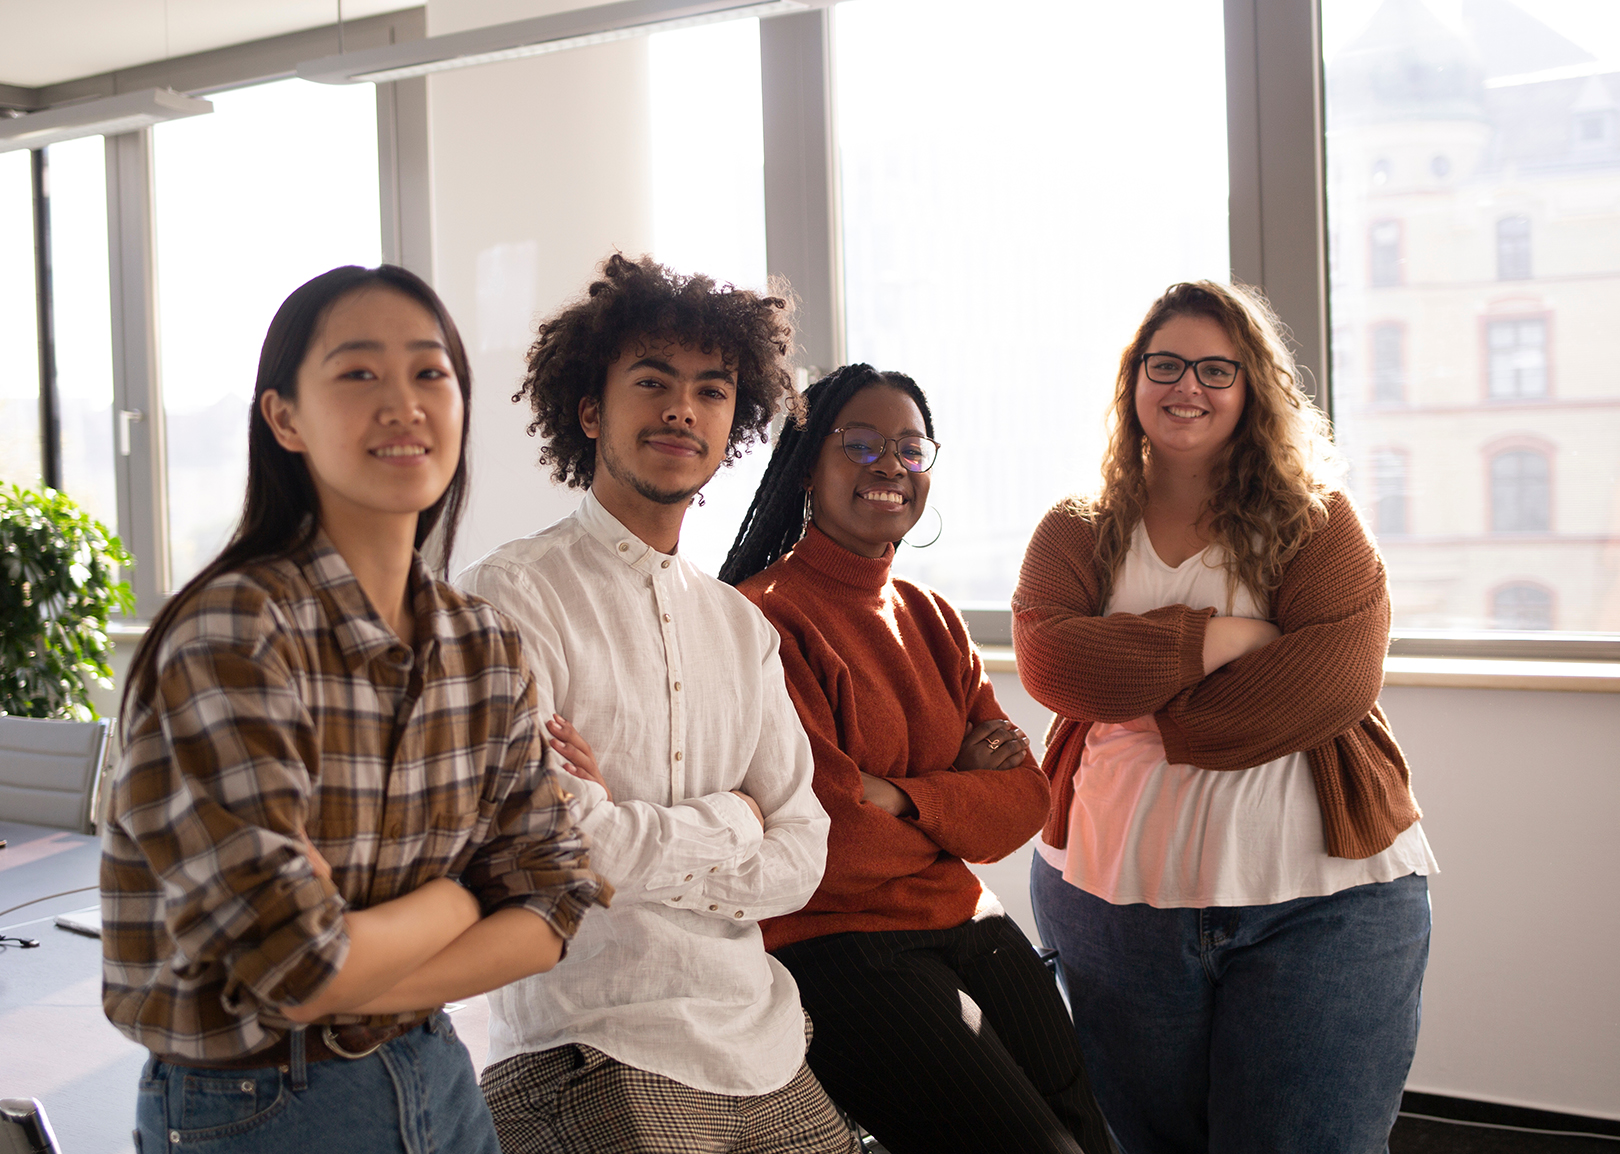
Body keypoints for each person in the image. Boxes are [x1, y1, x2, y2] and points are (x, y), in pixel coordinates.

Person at [101, 265, 610, 1153]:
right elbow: (293, 963)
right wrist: (457, 901)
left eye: (429, 373)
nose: (403, 404)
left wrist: (355, 977)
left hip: (436, 1076)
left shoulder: (482, 644)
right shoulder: (233, 636)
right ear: (284, 418)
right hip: (258, 1104)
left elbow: (555, 899)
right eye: (358, 374)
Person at [1014, 281, 1438, 1154]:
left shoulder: (1315, 523)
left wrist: (1151, 712)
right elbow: (1054, 662)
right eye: (1165, 365)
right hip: (1113, 901)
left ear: (1253, 389)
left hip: (1327, 909)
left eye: (1217, 368)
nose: (1188, 386)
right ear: (1133, 381)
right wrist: (1226, 637)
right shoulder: (1076, 528)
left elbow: (1333, 682)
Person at [456, 254, 854, 1154]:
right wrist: (734, 820)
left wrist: (641, 838)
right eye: (653, 382)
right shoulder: (511, 597)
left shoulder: (739, 627)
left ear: (733, 425)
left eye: (712, 391)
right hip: (592, 1039)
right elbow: (564, 849)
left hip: (760, 1040)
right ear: (590, 411)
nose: (683, 408)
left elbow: (804, 854)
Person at [719, 364, 1115, 1154]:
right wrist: (955, 793)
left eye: (909, 448)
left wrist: (896, 796)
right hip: (835, 944)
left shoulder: (931, 616)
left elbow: (1025, 801)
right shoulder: (765, 618)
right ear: (806, 466)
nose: (889, 467)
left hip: (963, 917)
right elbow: (828, 843)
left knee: (1088, 1137)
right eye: (860, 445)